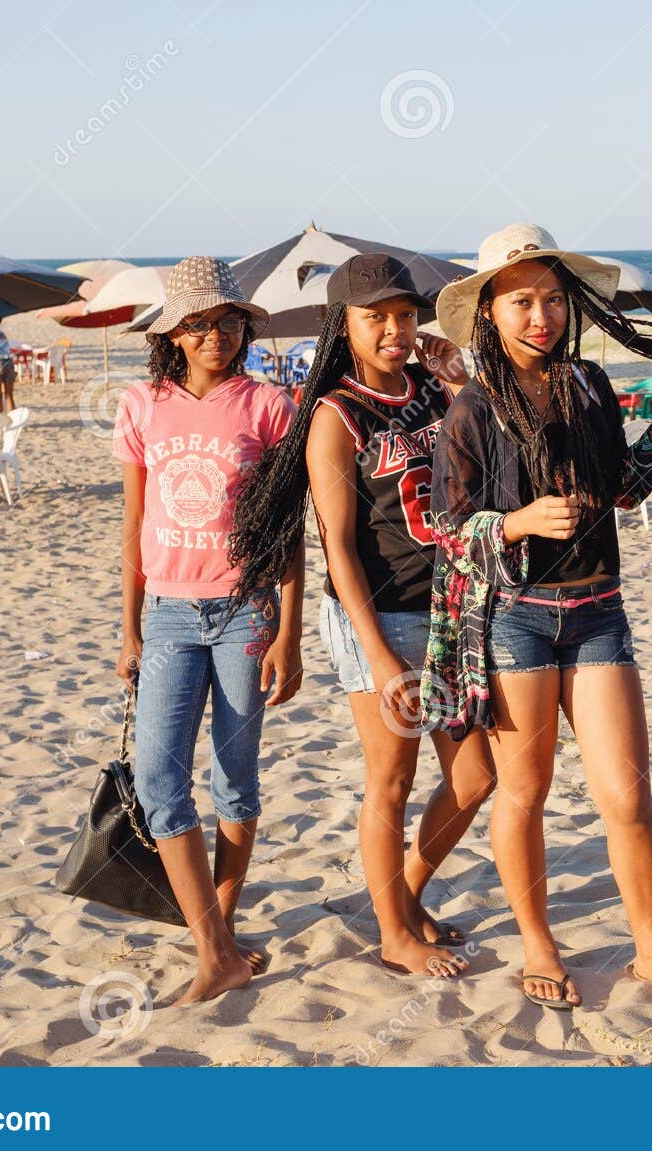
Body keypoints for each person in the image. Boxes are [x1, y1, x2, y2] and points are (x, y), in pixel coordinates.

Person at [426, 223, 652, 1010]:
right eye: (522, 301)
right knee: (522, 793)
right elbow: (447, 529)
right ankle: (538, 943)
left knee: (629, 796)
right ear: (489, 314)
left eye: (555, 300)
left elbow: (628, 486)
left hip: (599, 613)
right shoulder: (471, 409)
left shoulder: (593, 386)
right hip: (517, 621)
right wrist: (520, 521)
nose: (542, 316)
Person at [227, 254, 494, 980]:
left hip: (446, 612)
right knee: (393, 780)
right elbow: (337, 547)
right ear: (343, 326)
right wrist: (377, 657)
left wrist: (460, 378)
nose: (394, 329)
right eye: (376, 317)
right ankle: (393, 933)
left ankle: (402, 894)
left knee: (475, 777)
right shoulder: (334, 415)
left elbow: (493, 460)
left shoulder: (433, 393)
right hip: (376, 617)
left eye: (405, 315)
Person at [113, 257, 303, 1005]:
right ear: (176, 334)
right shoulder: (142, 405)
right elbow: (133, 522)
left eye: (229, 321)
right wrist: (127, 629)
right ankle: (216, 947)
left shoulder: (269, 407)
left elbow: (288, 527)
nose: (217, 334)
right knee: (159, 777)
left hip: (246, 613)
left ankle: (218, 934)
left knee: (234, 778)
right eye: (201, 323)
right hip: (165, 614)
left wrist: (287, 630)